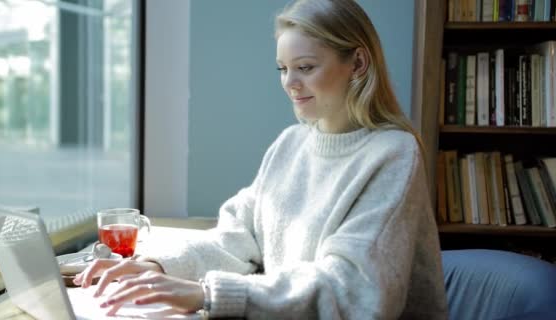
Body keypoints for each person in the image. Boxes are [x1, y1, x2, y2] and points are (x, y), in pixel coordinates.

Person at [74, 0, 448, 318]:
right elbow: (237, 239)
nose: (290, 83)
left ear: (359, 64)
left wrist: (209, 294)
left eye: (305, 67)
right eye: (283, 69)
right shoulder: (290, 144)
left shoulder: (394, 155)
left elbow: (352, 290)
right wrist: (156, 267)